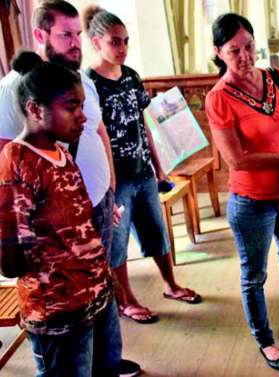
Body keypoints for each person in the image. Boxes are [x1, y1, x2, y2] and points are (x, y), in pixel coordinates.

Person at [0, 2, 140, 375]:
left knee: (100, 360)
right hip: (58, 305)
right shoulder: (21, 157)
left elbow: (97, 133)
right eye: (67, 34)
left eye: (78, 33)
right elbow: (15, 254)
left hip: (90, 289)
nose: (80, 116)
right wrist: (64, 263)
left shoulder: (60, 148)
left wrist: (106, 190)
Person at [82, 5, 201, 325]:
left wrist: (159, 168)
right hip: (113, 177)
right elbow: (92, 134)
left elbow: (144, 124)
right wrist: (103, 184)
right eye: (114, 42)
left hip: (142, 170)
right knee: (117, 244)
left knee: (156, 231)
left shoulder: (132, 76)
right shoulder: (89, 83)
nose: (122, 48)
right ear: (96, 42)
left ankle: (170, 284)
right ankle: (127, 300)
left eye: (125, 41)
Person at [205, 13, 279, 372]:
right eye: (235, 51)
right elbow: (237, 159)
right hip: (251, 201)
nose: (246, 56)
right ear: (218, 52)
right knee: (255, 275)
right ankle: (264, 338)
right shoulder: (218, 98)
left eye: (249, 47)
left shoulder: (276, 77)